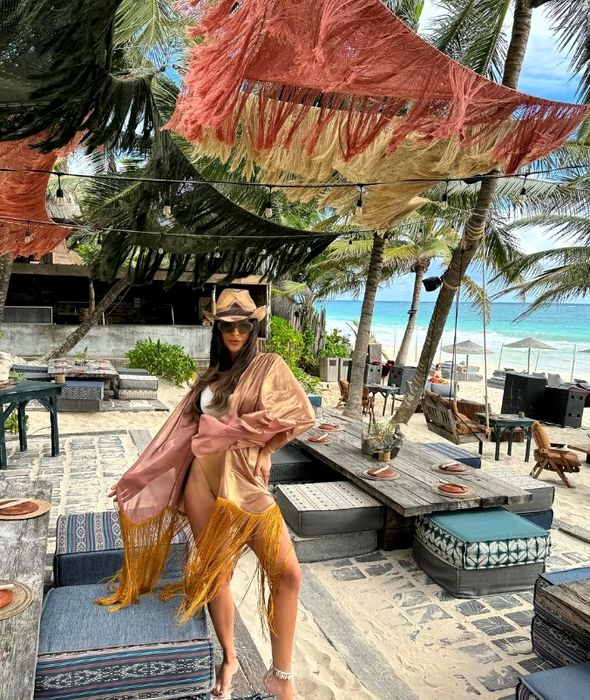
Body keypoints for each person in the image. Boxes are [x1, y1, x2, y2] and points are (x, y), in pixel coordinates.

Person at [101, 289, 315, 700]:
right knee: (216, 573)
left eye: (244, 325)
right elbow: (177, 436)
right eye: (227, 326)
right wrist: (138, 476)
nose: (235, 333)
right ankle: (230, 657)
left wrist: (263, 448)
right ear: (216, 328)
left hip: (244, 481)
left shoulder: (268, 365)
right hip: (202, 479)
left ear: (254, 328)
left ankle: (281, 677)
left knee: (288, 573)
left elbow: (297, 414)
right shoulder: (210, 375)